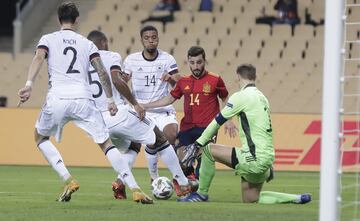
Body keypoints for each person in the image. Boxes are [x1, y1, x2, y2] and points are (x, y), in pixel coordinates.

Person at [17, 2, 150, 204]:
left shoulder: (48, 39)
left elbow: (38, 57)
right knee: (106, 144)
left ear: (58, 19)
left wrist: (28, 84)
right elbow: (101, 71)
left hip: (57, 99)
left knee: (40, 138)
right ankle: (135, 189)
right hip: (83, 100)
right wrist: (110, 99)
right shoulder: (87, 43)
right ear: (77, 20)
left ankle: (68, 179)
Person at [177, 64, 312, 204]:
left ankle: (201, 194)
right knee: (251, 199)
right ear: (255, 77)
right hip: (266, 160)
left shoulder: (241, 96)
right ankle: (296, 198)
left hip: (252, 159)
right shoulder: (262, 98)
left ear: (238, 78)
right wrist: (268, 164)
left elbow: (218, 121)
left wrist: (198, 143)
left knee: (207, 150)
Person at [86, 30, 194, 199]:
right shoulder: (112, 56)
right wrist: (135, 103)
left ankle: (120, 183)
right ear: (104, 42)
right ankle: (183, 183)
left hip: (95, 120)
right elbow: (117, 80)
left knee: (133, 147)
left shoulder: (82, 63)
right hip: (117, 113)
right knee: (159, 138)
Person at [142, 46, 237, 181]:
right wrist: (145, 106)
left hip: (208, 128)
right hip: (187, 127)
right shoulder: (183, 81)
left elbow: (225, 98)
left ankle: (198, 189)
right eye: (192, 63)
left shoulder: (215, 79)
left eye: (199, 62)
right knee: (181, 161)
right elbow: (169, 99)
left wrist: (227, 119)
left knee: (203, 160)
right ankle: (189, 183)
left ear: (204, 61)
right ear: (188, 63)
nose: (196, 66)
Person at [122, 25, 181, 183]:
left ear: (158, 39)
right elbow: (122, 82)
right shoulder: (131, 60)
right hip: (141, 111)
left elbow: (180, 84)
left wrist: (170, 78)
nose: (150, 41)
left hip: (163, 110)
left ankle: (176, 177)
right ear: (141, 40)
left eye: (153, 37)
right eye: (147, 38)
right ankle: (154, 176)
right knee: (147, 142)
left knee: (171, 135)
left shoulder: (167, 59)